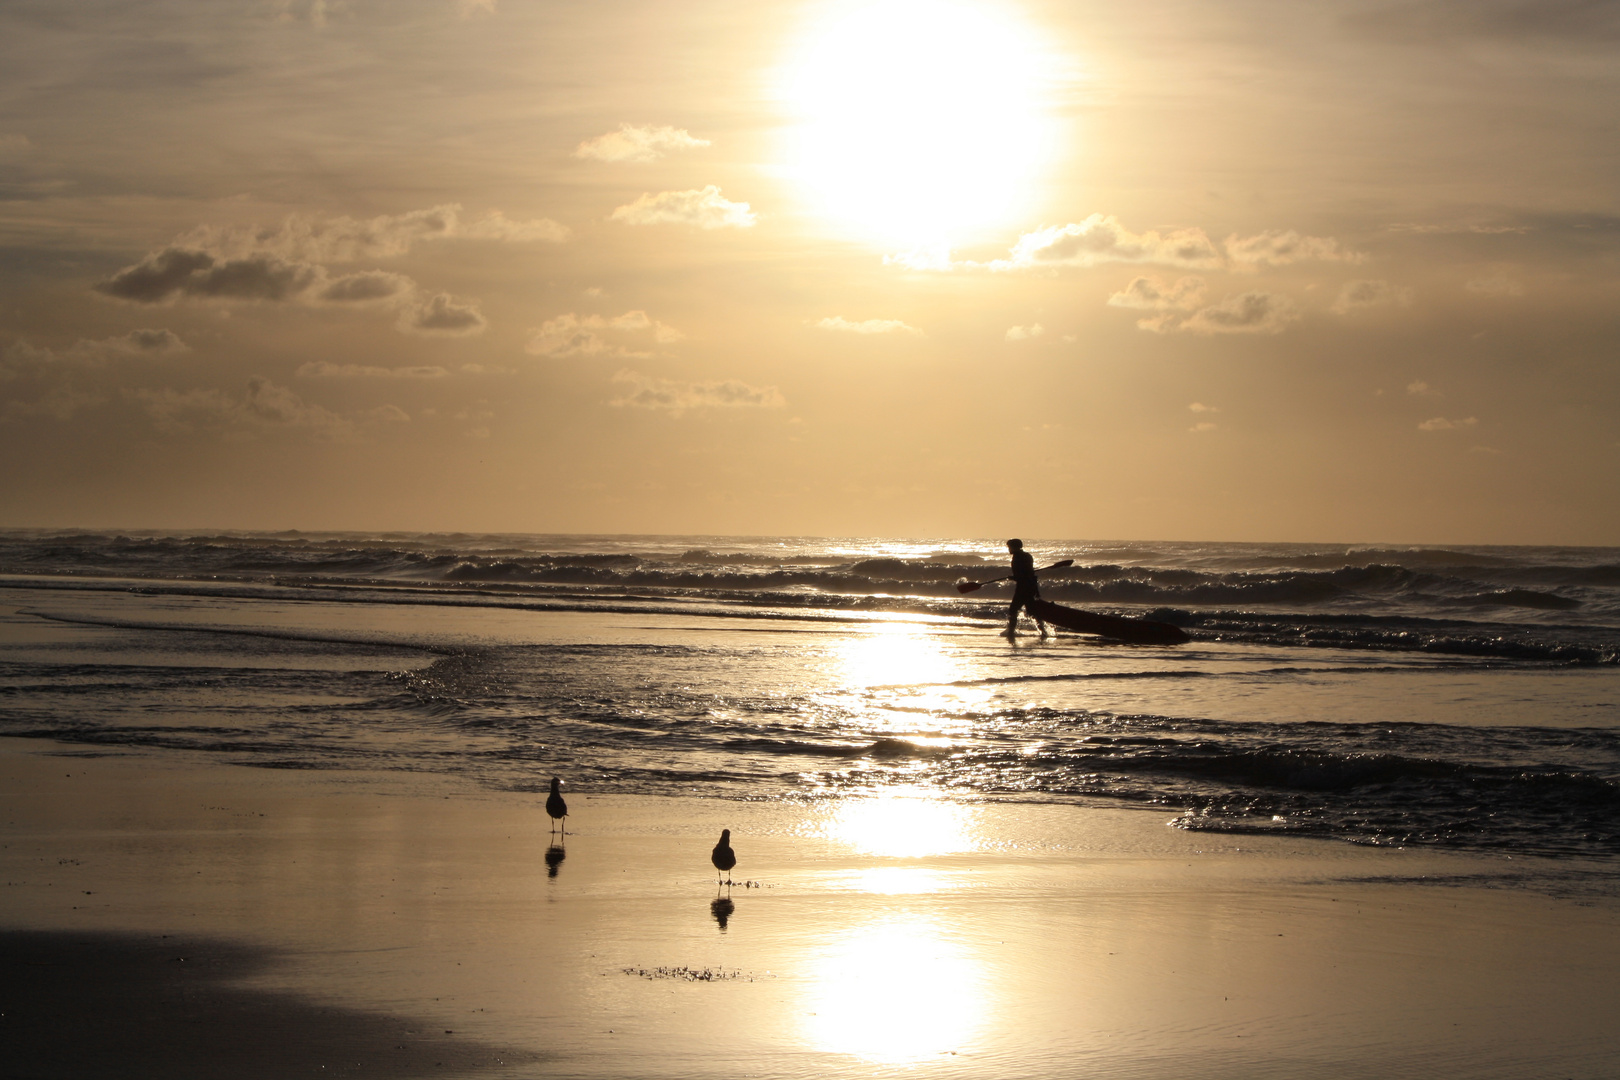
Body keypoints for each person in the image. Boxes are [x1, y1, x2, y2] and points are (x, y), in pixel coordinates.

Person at [1002, 538, 1049, 638]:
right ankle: (1044, 632)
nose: (1008, 549)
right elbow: (1028, 573)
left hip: (1023, 588)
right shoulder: (1027, 556)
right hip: (1030, 586)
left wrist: (1014, 577)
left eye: (1009, 547)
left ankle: (1011, 632)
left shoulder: (1017, 558)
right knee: (1032, 611)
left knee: (1013, 610)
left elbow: (1022, 575)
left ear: (1014, 547)